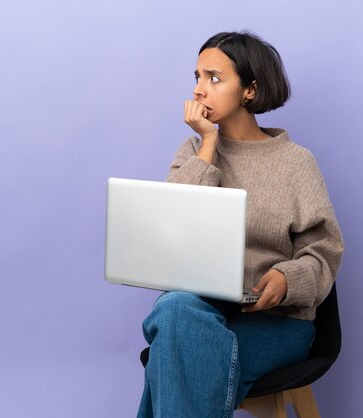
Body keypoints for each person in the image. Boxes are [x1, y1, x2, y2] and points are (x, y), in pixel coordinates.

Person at [136, 31, 345, 418]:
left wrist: (287, 278)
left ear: (250, 90)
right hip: (203, 309)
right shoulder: (193, 153)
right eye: (197, 77)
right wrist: (208, 147)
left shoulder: (295, 162)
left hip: (276, 320)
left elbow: (324, 253)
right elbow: (173, 230)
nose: (200, 90)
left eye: (214, 78)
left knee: (178, 355)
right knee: (175, 308)